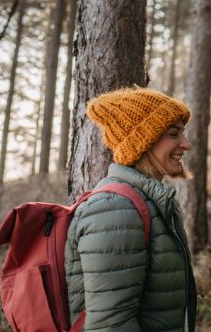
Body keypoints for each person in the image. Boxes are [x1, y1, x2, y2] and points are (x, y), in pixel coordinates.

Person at [65, 87, 197, 331]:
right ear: (142, 142)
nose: (185, 144)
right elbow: (110, 325)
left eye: (183, 133)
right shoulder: (115, 211)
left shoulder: (150, 202)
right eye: (173, 134)